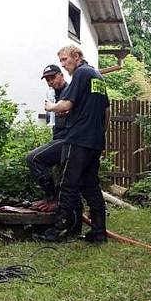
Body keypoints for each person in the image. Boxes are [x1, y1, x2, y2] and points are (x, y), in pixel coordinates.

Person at [40, 45, 110, 243]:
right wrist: (100, 132)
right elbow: (106, 110)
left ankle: (58, 231)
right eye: (61, 61)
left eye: (65, 60)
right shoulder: (98, 77)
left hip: (77, 139)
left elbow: (67, 104)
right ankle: (99, 234)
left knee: (67, 185)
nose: (63, 64)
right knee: (91, 187)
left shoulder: (81, 74)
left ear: (77, 57)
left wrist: (51, 107)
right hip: (95, 141)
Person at [26, 64, 74, 217]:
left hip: (68, 139)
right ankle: (57, 205)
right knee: (63, 178)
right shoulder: (53, 94)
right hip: (59, 138)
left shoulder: (69, 92)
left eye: (53, 77)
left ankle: (52, 200)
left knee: (33, 158)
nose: (50, 81)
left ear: (61, 75)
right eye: (47, 79)